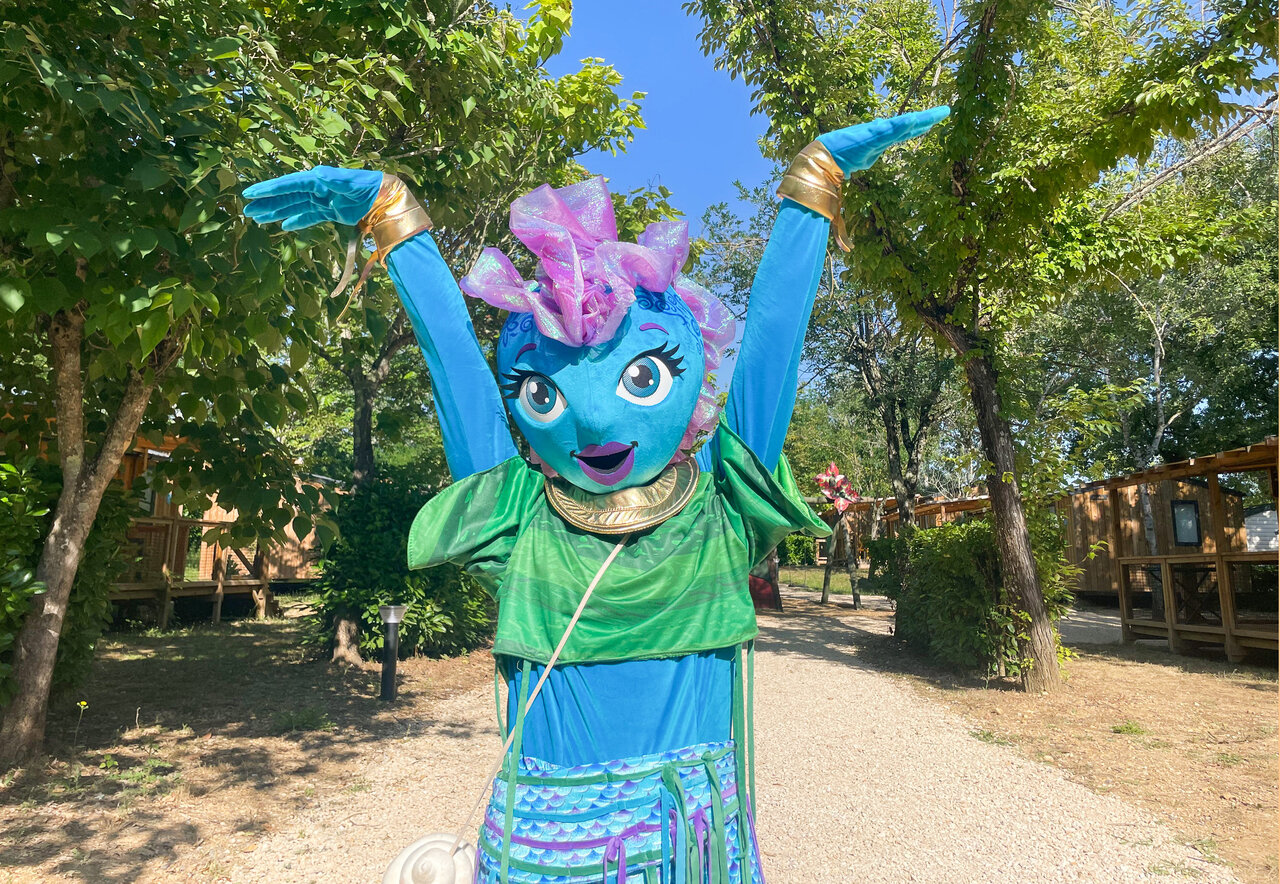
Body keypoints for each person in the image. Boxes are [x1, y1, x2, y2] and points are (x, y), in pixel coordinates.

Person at [244, 106, 947, 884]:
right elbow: (459, 375)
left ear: (695, 372)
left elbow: (773, 351)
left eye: (643, 378)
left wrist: (809, 192)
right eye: (544, 394)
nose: (595, 422)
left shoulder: (719, 500)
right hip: (557, 845)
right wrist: (396, 220)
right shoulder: (517, 513)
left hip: (688, 843)